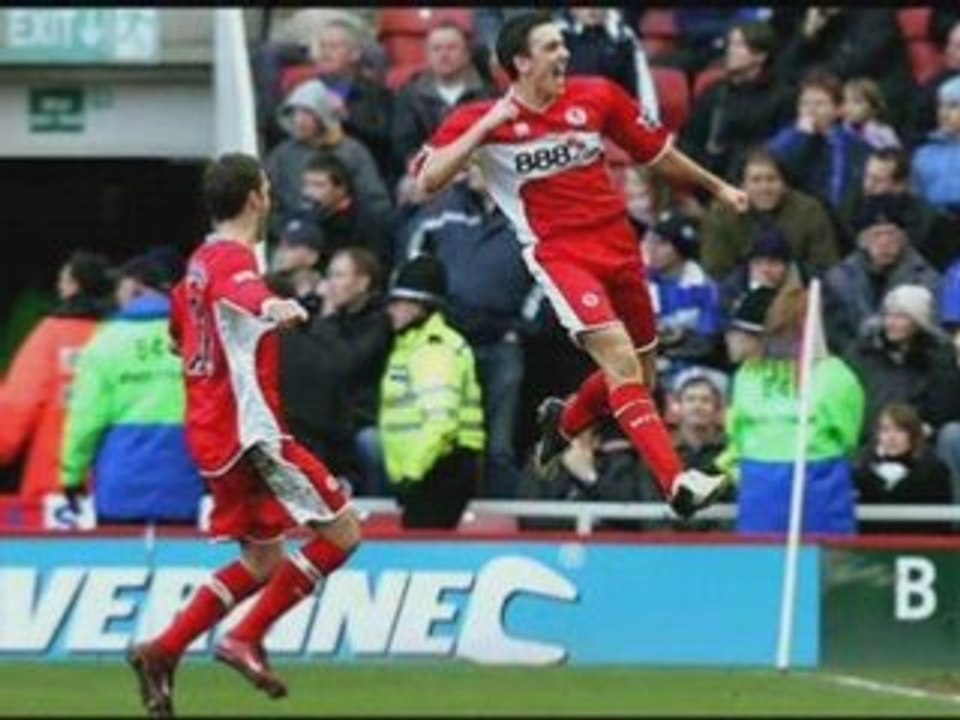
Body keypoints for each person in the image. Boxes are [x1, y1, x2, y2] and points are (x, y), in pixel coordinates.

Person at [414, 11, 751, 519]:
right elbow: (427, 180)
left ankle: (565, 421)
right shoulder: (481, 119)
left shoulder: (597, 96)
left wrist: (718, 187)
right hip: (561, 255)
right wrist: (484, 128)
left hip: (618, 247)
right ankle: (677, 481)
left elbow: (657, 153)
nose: (565, 55)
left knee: (641, 375)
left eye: (563, 45)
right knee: (619, 360)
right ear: (521, 62)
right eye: (551, 48)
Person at [127, 153, 361, 717]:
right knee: (342, 532)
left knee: (262, 559)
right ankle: (244, 636)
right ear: (257, 197)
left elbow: (180, 335)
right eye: (266, 186)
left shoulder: (198, 263)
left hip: (209, 435)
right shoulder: (234, 261)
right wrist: (275, 305)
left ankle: (164, 649)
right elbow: (245, 295)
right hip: (251, 434)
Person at [401, 161, 537, 499]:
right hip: (445, 342)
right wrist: (426, 315)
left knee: (499, 442)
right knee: (441, 430)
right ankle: (436, 513)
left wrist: (524, 327)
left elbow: (548, 274)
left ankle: (500, 523)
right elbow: (413, 258)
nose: (471, 168)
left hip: (503, 342)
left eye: (481, 162)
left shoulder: (528, 213)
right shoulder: (442, 209)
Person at [60, 254, 204, 525]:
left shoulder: (105, 342)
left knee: (120, 564)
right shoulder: (195, 337)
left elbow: (85, 421)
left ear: (133, 287)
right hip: (182, 482)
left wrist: (72, 477)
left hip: (120, 485)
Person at [722, 284, 865, 535]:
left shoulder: (747, 375)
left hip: (765, 489)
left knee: (763, 567)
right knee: (824, 568)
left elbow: (737, 435)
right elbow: (848, 437)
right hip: (815, 489)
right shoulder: (837, 376)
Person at [379, 254, 485, 528]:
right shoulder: (414, 346)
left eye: (398, 302)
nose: (390, 309)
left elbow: (441, 423)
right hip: (429, 469)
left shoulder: (433, 350)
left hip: (437, 471)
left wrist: (412, 475)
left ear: (420, 306)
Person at [0, 251, 112, 503]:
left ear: (73, 285)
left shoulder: (49, 334)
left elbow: (17, 407)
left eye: (62, 280)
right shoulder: (119, 336)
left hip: (54, 484)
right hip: (117, 485)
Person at [265, 78, 391, 236]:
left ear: (322, 114)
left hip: (344, 235)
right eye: (295, 112)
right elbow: (265, 201)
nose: (299, 120)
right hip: (292, 236)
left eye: (307, 113)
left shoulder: (353, 152)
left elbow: (376, 204)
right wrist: (285, 229)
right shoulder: (282, 155)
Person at [316, 247, 393, 496]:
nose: (330, 285)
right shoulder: (331, 319)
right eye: (329, 276)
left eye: (339, 276)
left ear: (362, 282)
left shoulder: (380, 322)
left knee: (367, 444)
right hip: (330, 422)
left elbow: (345, 364)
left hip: (364, 421)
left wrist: (326, 318)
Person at [823, 194, 941, 355]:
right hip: (853, 360)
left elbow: (933, 332)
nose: (884, 243)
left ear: (904, 239)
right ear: (862, 240)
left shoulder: (926, 279)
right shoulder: (838, 279)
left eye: (891, 234)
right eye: (876, 235)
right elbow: (833, 331)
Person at [700, 146, 839, 280]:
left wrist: (786, 273)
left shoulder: (810, 211)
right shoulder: (722, 214)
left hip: (798, 292)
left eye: (771, 179)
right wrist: (749, 275)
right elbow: (715, 270)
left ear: (785, 183)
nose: (764, 188)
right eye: (756, 180)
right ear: (742, 185)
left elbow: (826, 267)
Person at [843, 284, 960, 443]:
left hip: (916, 442)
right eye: (888, 315)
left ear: (918, 322)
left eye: (901, 317)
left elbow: (943, 409)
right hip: (865, 440)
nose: (891, 322)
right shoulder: (862, 352)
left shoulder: (938, 357)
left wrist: (925, 429)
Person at [679, 20, 794, 180]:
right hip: (710, 181)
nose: (730, 51)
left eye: (739, 45)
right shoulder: (716, 91)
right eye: (731, 44)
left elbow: (781, 150)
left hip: (757, 181)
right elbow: (690, 138)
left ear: (760, 56)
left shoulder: (781, 96)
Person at [390, 20, 494, 178]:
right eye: (436, 49)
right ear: (427, 55)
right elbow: (405, 147)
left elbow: (494, 141)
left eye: (452, 48)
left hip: (476, 171)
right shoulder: (409, 95)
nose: (444, 55)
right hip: (427, 171)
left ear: (466, 54)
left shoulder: (488, 94)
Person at [767, 69, 872, 223]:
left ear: (838, 109)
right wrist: (801, 137)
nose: (811, 110)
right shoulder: (787, 139)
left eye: (819, 103)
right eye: (805, 103)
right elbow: (772, 165)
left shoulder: (857, 147)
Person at [643, 209, 725, 388]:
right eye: (651, 242)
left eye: (662, 243)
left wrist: (669, 349)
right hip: (645, 364)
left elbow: (706, 342)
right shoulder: (638, 280)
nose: (652, 249)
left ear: (680, 249)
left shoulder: (704, 287)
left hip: (689, 371)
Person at [851, 148, 960, 272]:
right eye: (867, 176)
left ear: (900, 185)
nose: (868, 185)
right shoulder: (855, 206)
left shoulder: (928, 222)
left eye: (878, 180)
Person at [854, 403, 953, 535]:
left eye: (899, 430)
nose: (891, 437)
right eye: (885, 430)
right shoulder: (862, 469)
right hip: (871, 549)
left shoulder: (933, 470)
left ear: (913, 435)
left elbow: (940, 524)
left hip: (919, 547)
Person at [557, 7, 660, 123]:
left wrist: (651, 123)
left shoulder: (624, 38)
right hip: (566, 120)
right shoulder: (556, 37)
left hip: (613, 123)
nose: (592, 10)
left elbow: (644, 89)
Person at [719, 222, 804, 322]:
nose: (765, 270)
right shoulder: (731, 289)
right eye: (757, 263)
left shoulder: (803, 287)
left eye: (773, 263)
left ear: (786, 265)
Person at [911, 75, 960, 215]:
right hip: (935, 228)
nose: (943, 113)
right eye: (941, 106)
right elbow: (916, 198)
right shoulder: (924, 153)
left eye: (953, 106)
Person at [840, 77, 901, 151]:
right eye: (846, 101)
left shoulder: (884, 134)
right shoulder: (840, 133)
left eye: (857, 101)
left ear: (873, 108)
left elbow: (896, 159)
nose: (849, 106)